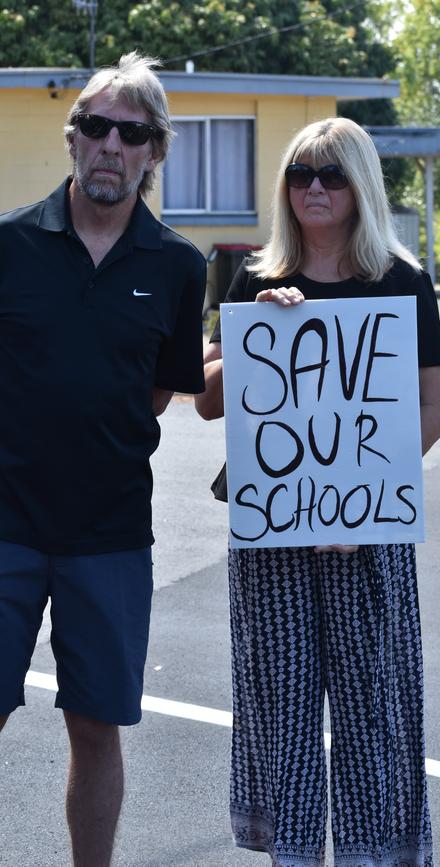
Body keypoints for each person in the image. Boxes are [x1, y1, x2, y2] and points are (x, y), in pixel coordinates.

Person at [196, 116, 440, 866]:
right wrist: (248, 335)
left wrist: (366, 499)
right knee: (282, 709)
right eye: (300, 173)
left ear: (360, 185)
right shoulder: (256, 276)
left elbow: (435, 408)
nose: (312, 187)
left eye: (331, 174)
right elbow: (207, 400)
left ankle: (379, 854)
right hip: (274, 538)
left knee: (378, 706)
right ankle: (295, 853)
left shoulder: (402, 284)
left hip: (367, 537)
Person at [0, 53, 205, 866]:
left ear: (155, 151)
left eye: (133, 132)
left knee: (95, 725)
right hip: (4, 521)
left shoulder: (180, 267)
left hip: (112, 534)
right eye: (95, 126)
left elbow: (162, 390)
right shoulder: (8, 244)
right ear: (72, 138)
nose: (110, 145)